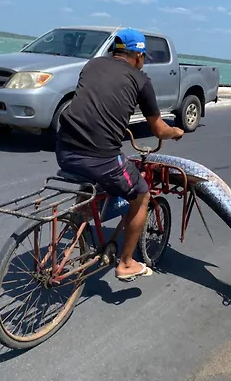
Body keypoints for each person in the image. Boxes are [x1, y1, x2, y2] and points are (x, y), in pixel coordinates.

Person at [55, 28, 184, 280]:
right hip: (100, 157)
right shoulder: (141, 80)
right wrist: (175, 131)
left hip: (64, 149)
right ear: (138, 55)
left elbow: (95, 101)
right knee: (141, 196)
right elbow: (159, 129)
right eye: (143, 57)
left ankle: (81, 216)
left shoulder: (92, 65)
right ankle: (126, 263)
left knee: (100, 177)